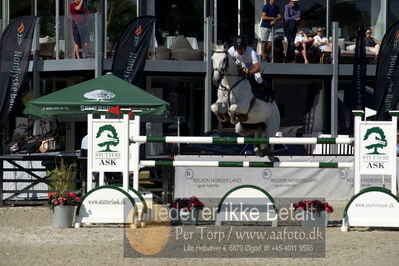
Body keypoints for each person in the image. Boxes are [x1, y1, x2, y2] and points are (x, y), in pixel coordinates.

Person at [228, 36, 274, 102]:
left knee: (258, 79)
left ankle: (269, 94)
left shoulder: (251, 52)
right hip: (242, 65)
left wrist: (248, 73)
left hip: (253, 65)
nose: (240, 50)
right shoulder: (231, 50)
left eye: (241, 48)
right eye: (238, 48)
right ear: (235, 47)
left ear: (245, 47)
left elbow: (258, 68)